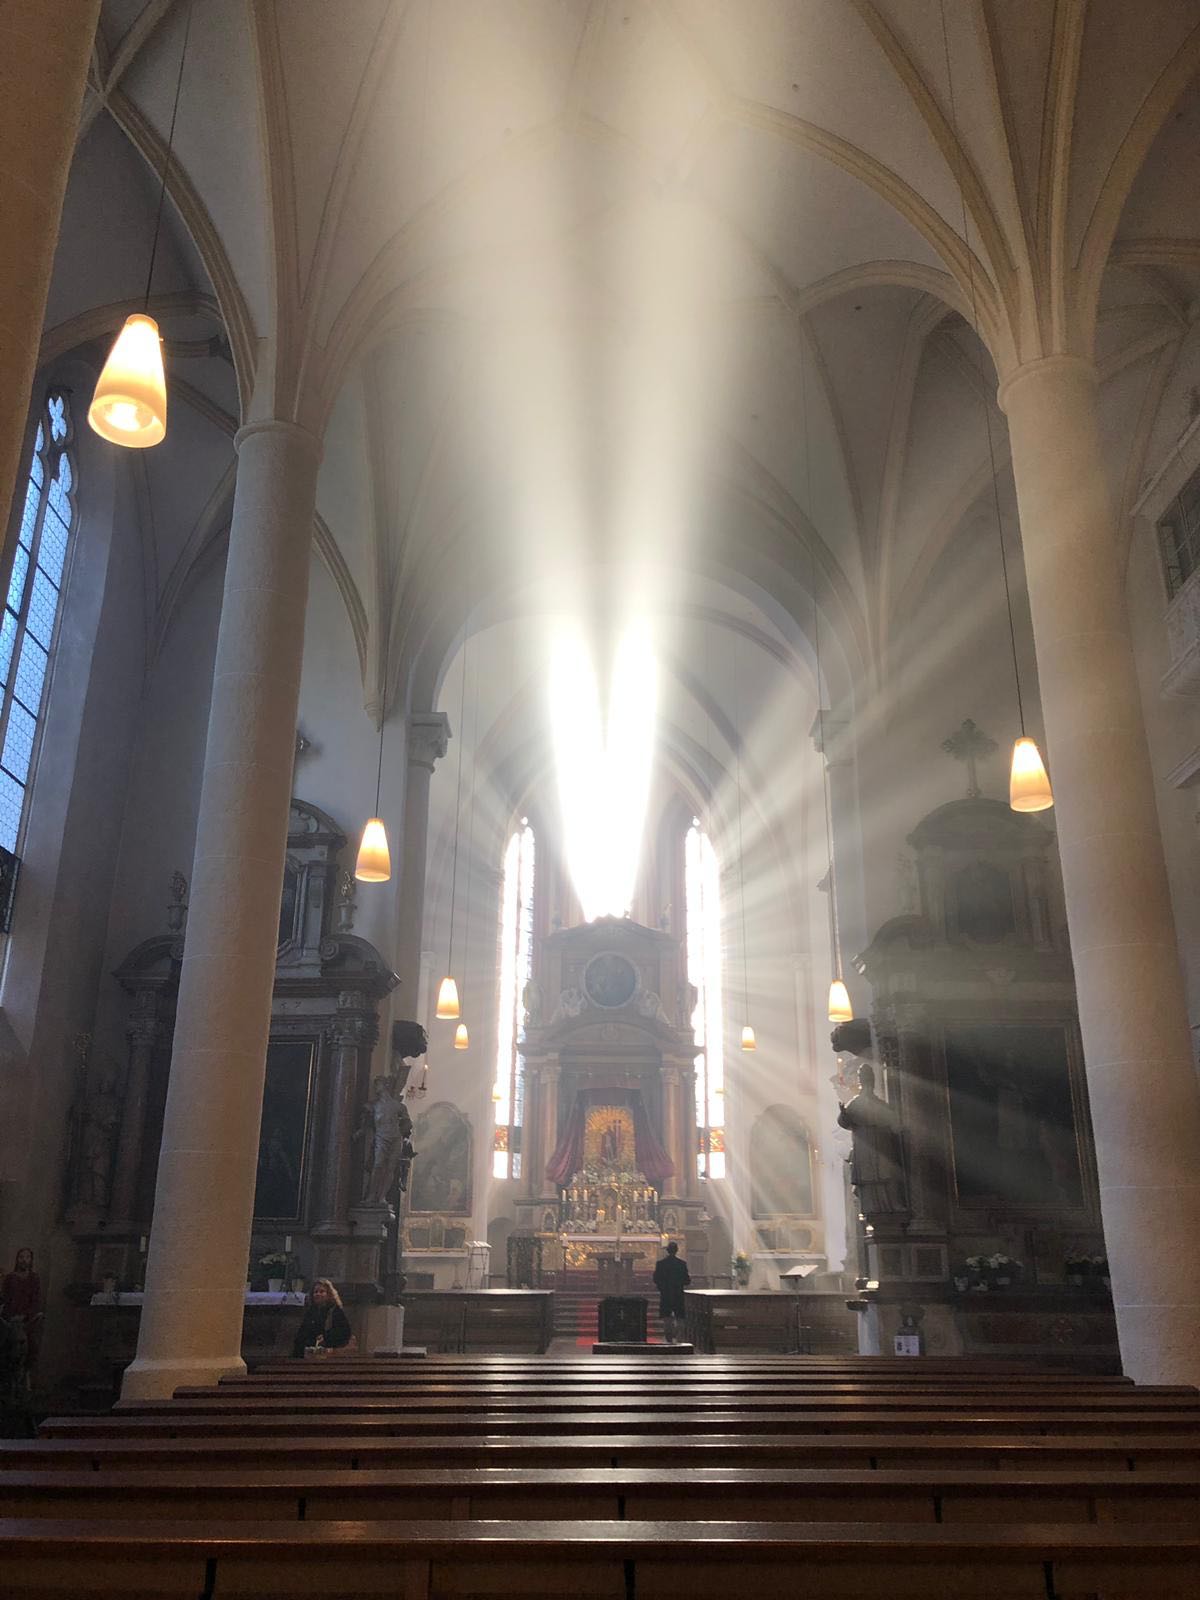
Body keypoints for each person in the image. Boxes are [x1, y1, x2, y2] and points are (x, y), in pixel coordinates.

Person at [1, 1248, 43, 1368]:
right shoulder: (10, 1278)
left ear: (31, 1260)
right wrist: (10, 1317)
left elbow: (36, 1300)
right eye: (21, 1257)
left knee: (31, 1345)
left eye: (27, 1257)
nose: (24, 1260)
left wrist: (27, 1316)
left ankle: (26, 1371)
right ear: (17, 1259)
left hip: (27, 1321)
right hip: (10, 1320)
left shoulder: (34, 1278)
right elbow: (6, 1299)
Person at [290, 1278, 353, 1358]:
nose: (318, 1294)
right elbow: (302, 1333)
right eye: (315, 1292)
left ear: (329, 1294)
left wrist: (326, 1336)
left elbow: (344, 1333)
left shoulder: (335, 1311)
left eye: (322, 1291)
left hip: (329, 1353)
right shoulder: (310, 1312)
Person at [653, 1240, 690, 1344]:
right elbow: (687, 1280)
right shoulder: (682, 1264)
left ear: (667, 1251)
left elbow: (656, 1279)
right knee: (680, 1317)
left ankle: (668, 1338)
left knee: (666, 1317)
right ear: (677, 1250)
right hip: (678, 1293)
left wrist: (662, 1287)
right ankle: (679, 1337)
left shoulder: (660, 1264)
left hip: (666, 1294)